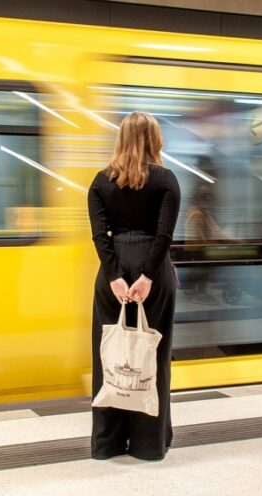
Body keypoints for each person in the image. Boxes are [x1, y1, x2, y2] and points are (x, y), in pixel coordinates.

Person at [87, 112, 181, 461]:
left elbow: (100, 235)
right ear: (154, 140)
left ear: (121, 139)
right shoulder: (166, 180)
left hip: (111, 277)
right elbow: (164, 235)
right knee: (152, 357)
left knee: (109, 356)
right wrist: (148, 276)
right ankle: (147, 444)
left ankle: (107, 443)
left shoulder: (99, 182)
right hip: (153, 273)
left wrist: (114, 276)